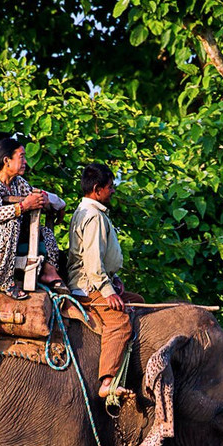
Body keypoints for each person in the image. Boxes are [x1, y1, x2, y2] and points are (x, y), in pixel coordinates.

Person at [66, 163, 145, 397]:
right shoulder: (93, 216)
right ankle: (107, 381)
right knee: (119, 323)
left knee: (137, 301)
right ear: (97, 189)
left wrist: (115, 281)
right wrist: (108, 291)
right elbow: (92, 262)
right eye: (110, 187)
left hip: (99, 280)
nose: (112, 191)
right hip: (89, 286)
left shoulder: (89, 211)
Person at [0, 137, 69, 300]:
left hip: (1, 237)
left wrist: (44, 199)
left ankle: (50, 272)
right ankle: (4, 282)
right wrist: (24, 206)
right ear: (7, 161)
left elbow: (33, 192)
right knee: (10, 223)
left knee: (43, 231)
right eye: (21, 157)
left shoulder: (18, 182)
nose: (25, 161)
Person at [0, 131, 65, 233]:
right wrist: (24, 206)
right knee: (16, 225)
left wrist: (53, 201)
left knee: (45, 234)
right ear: (5, 156)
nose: (25, 161)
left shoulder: (14, 180)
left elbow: (31, 191)